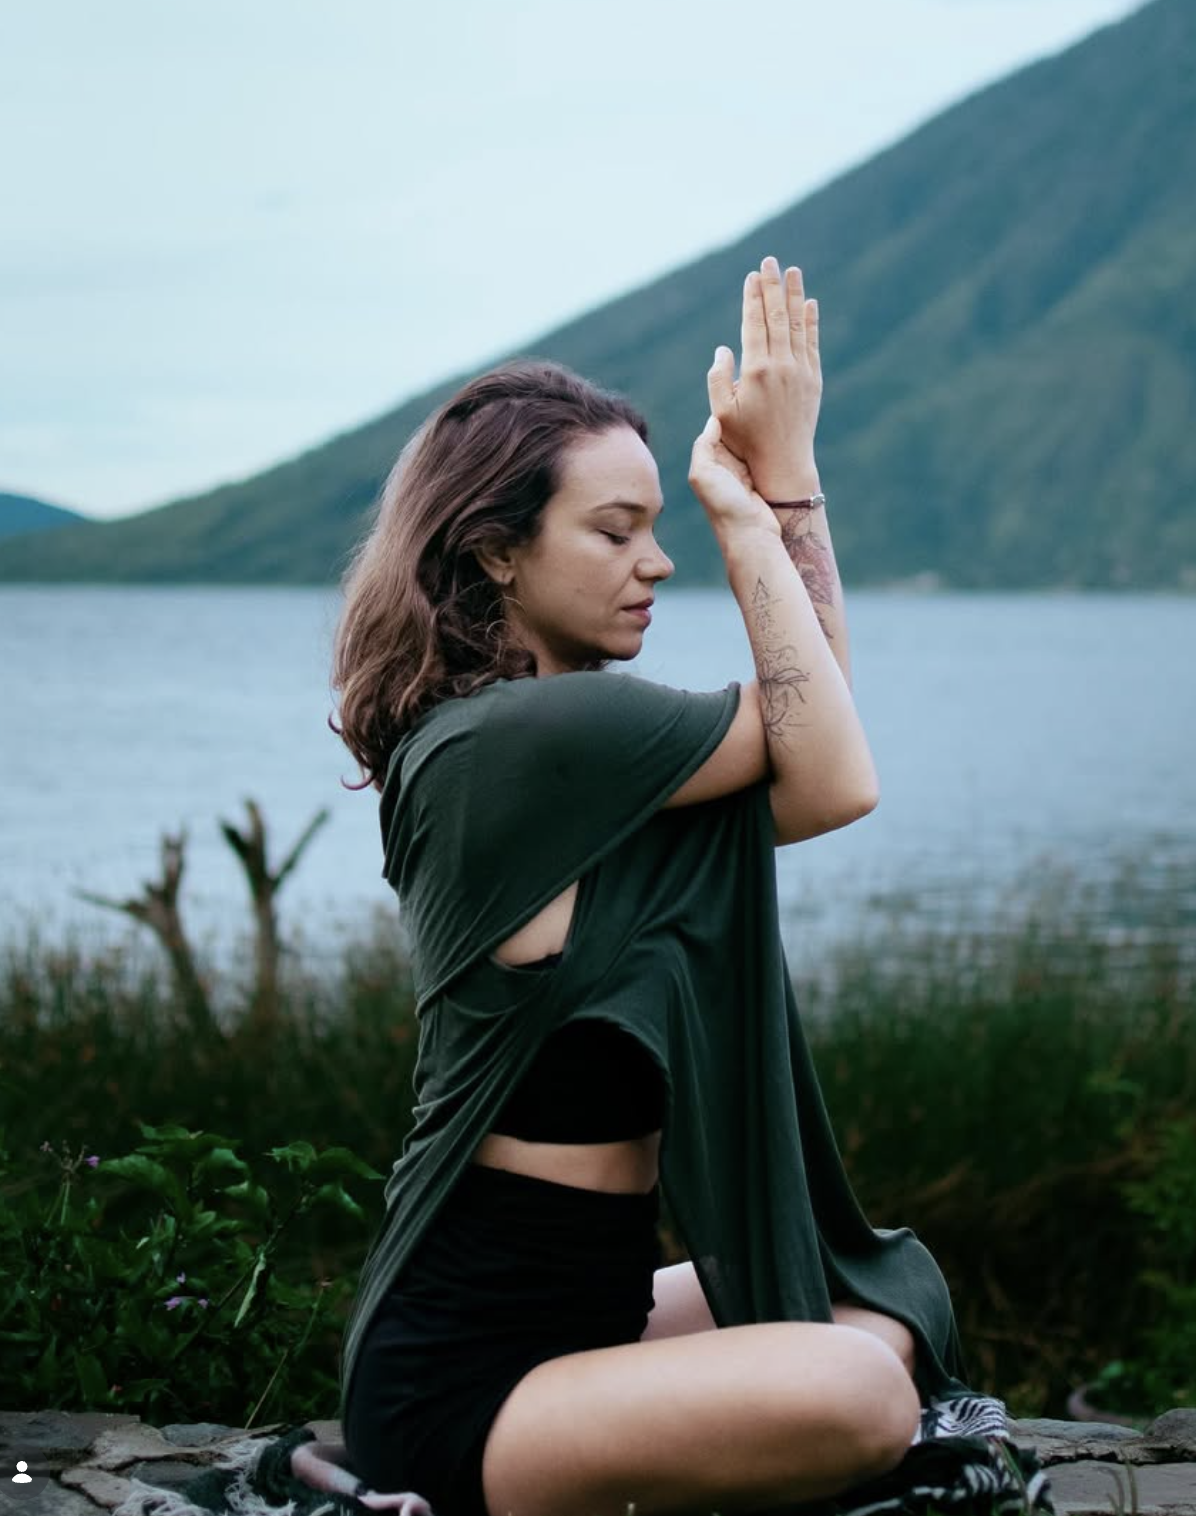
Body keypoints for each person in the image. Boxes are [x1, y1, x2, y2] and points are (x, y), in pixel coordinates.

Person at [329, 255, 960, 1516]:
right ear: (496, 553)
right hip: (472, 1380)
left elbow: (813, 751)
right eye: (616, 530)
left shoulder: (559, 747)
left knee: (889, 1294)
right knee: (864, 1391)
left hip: (590, 1315)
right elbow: (831, 759)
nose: (654, 562)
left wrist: (786, 487)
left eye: (660, 525)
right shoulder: (523, 741)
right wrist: (753, 501)